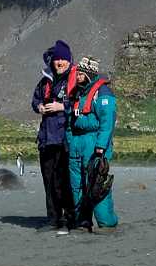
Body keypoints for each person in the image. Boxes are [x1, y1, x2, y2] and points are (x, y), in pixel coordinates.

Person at [31, 41, 79, 233]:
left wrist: (62, 107)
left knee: (64, 181)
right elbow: (35, 100)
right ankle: (53, 218)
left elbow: (80, 103)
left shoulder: (75, 79)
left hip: (64, 138)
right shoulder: (46, 80)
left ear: (69, 60)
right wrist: (40, 107)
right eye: (57, 59)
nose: (59, 62)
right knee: (49, 180)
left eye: (63, 59)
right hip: (46, 139)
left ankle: (69, 218)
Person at [67, 55, 118, 231]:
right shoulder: (77, 93)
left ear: (89, 73)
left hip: (93, 143)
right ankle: (82, 221)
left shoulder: (103, 94)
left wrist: (101, 146)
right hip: (76, 143)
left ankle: (107, 223)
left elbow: (107, 121)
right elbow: (69, 121)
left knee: (96, 184)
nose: (77, 76)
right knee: (77, 185)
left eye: (81, 73)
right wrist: (69, 141)